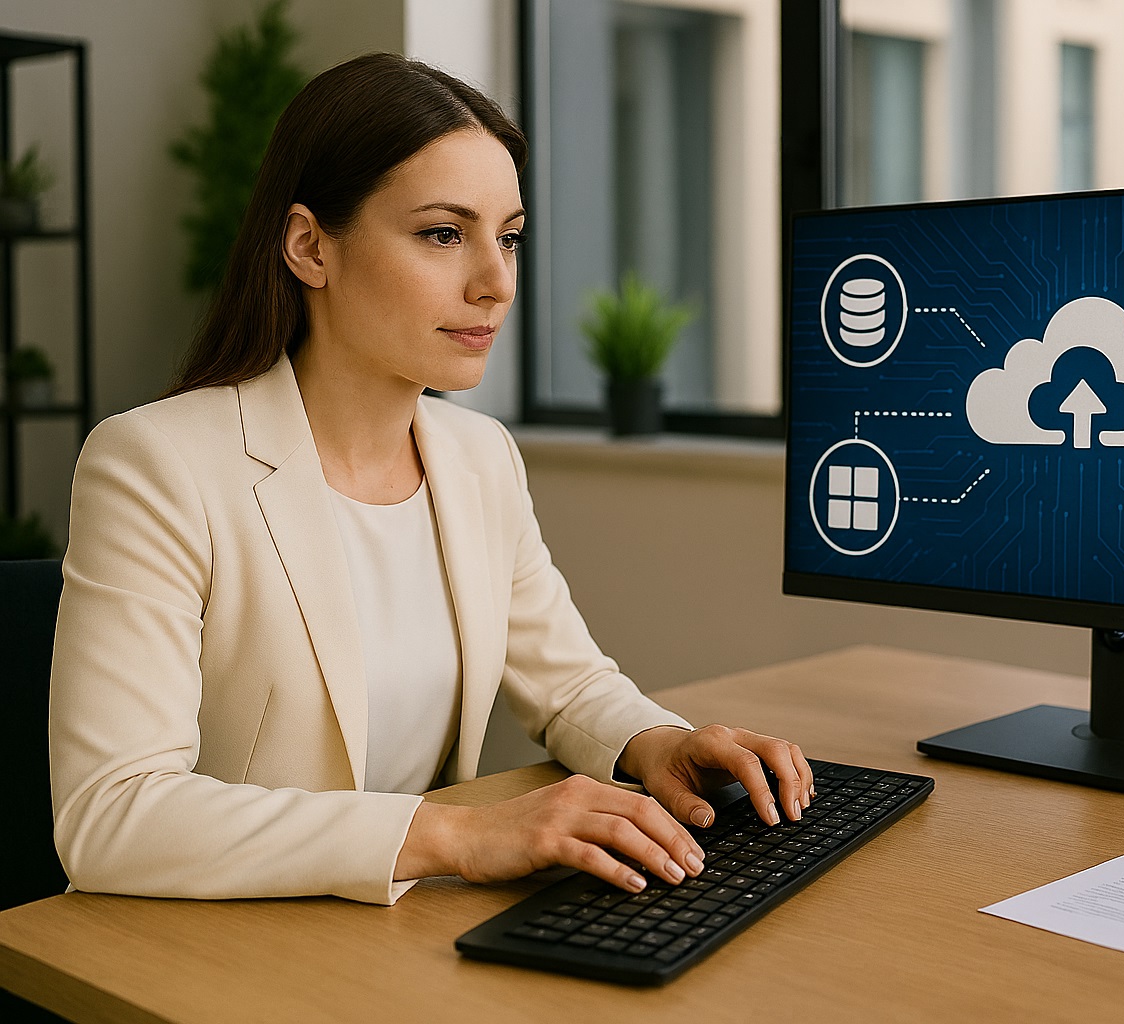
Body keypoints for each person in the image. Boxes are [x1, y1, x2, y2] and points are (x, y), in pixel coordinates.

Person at [49, 52, 812, 906]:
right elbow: (111, 814)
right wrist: (456, 835)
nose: (496, 283)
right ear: (309, 247)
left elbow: (568, 683)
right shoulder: (156, 465)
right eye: (444, 234)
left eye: (508, 238)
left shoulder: (480, 457)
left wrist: (657, 743)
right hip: (223, 943)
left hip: (405, 938)